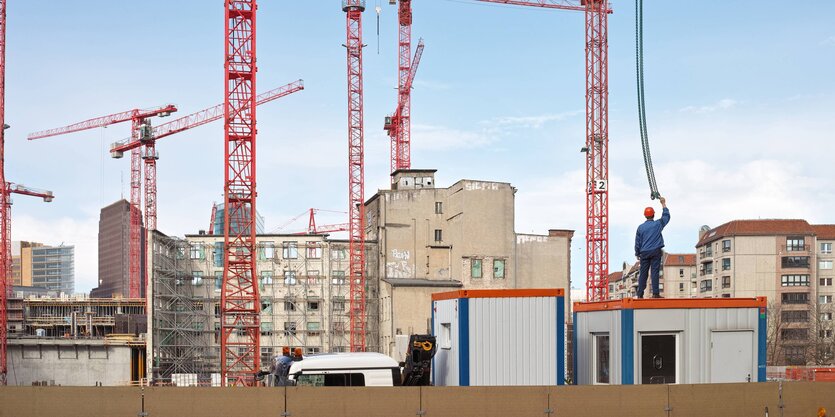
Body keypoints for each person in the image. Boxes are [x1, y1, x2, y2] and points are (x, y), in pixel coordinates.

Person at [634, 196, 670, 298]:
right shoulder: (658, 224)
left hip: (644, 252)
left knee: (643, 273)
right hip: (655, 251)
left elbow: (637, 242)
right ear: (653, 214)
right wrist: (663, 204)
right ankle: (655, 293)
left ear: (645, 215)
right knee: (654, 272)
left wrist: (637, 253)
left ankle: (640, 294)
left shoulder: (640, 228)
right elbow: (666, 217)